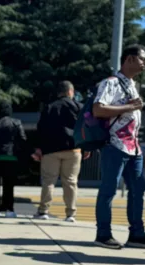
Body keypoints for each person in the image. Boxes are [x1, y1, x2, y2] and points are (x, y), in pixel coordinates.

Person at [93, 45, 145, 249]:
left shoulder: (132, 84)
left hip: (134, 148)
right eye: (143, 59)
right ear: (130, 59)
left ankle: (137, 235)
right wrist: (130, 107)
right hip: (115, 145)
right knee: (108, 190)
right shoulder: (111, 83)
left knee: (137, 190)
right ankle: (103, 234)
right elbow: (98, 109)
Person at [34, 81, 90, 222]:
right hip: (73, 149)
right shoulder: (79, 107)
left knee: (48, 181)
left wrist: (39, 148)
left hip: (50, 150)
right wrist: (87, 147)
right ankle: (71, 214)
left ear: (59, 92)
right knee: (71, 182)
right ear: (71, 91)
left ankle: (43, 212)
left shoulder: (49, 107)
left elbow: (41, 129)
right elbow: (87, 128)